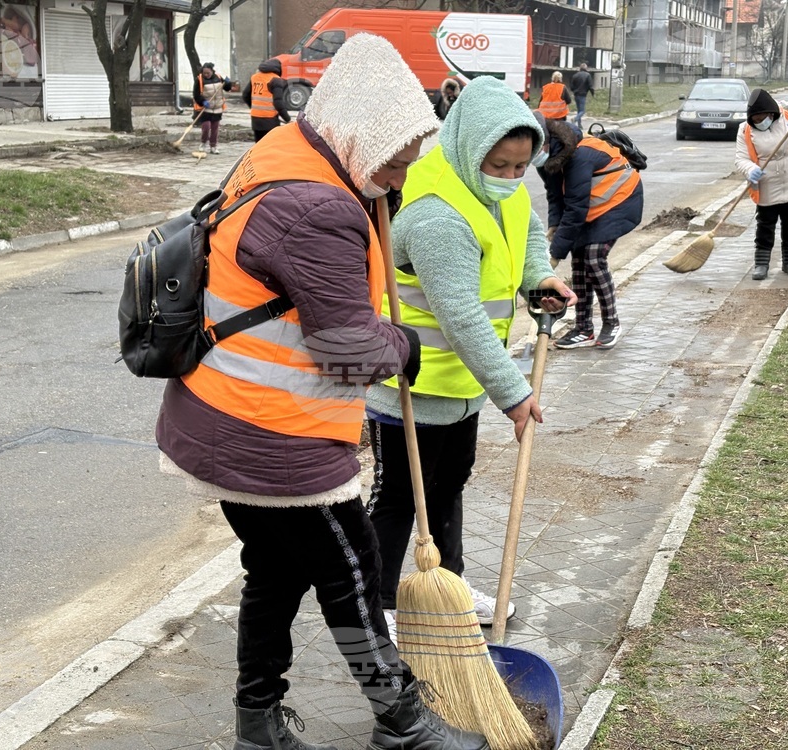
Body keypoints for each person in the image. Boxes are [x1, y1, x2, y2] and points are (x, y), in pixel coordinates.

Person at [156, 33, 489, 750]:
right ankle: (402, 723)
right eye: (396, 156)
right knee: (353, 574)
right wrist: (405, 345)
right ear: (357, 131)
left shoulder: (288, 152)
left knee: (274, 571)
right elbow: (348, 352)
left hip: (219, 419)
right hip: (272, 437)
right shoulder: (317, 207)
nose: (403, 173)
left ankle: (258, 724)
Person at [366, 76, 576, 638]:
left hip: (461, 385)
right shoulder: (438, 215)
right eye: (501, 166)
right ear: (467, 148)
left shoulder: (497, 193)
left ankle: (449, 587)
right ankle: (377, 603)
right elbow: (460, 316)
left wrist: (540, 279)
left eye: (519, 167)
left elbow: (529, 231)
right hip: (410, 384)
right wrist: (514, 393)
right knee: (399, 496)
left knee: (449, 482)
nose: (511, 179)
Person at [535, 113, 643, 350]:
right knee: (579, 259)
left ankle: (611, 322)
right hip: (593, 205)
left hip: (620, 201)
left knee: (593, 257)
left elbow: (575, 209)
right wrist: (555, 225)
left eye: (537, 148)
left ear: (548, 140)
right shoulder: (547, 158)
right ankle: (583, 328)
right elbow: (555, 195)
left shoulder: (579, 155)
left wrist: (555, 254)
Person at [734, 88, 788, 281]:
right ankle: (761, 264)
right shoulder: (745, 129)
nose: (759, 122)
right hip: (767, 186)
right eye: (755, 120)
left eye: (762, 118)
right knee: (765, 224)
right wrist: (750, 169)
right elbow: (741, 159)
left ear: (771, 113)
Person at [242, 58, 292, 142]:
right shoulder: (276, 80)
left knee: (258, 146)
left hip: (255, 119)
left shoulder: (255, 77)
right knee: (270, 146)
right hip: (270, 120)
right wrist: (288, 119)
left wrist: (255, 107)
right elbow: (278, 102)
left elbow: (245, 95)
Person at [193, 62, 233, 154]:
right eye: (204, 73)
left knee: (215, 129)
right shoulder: (199, 80)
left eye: (208, 73)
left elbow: (227, 88)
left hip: (217, 108)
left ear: (212, 71)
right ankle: (203, 143)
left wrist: (228, 83)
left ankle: (213, 146)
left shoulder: (218, 77)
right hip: (206, 108)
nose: (206, 75)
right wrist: (203, 101)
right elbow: (196, 94)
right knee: (206, 127)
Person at [569, 63, 596, 128]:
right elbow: (590, 86)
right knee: (582, 111)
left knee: (579, 110)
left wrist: (574, 91)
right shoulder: (588, 75)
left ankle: (579, 125)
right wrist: (593, 94)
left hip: (576, 94)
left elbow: (571, 87)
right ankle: (575, 119)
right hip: (582, 95)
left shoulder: (575, 75)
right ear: (586, 68)